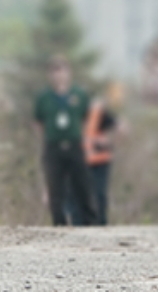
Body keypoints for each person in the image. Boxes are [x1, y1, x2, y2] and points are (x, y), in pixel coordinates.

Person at [34, 56, 98, 226]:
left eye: (62, 71)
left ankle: (89, 221)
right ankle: (59, 222)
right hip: (53, 145)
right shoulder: (44, 98)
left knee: (82, 184)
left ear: (68, 73)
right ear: (49, 75)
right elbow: (38, 122)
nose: (58, 76)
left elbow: (85, 117)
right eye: (54, 72)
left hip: (75, 144)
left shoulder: (79, 95)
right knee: (55, 187)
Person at [84, 81, 125, 225]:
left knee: (99, 194)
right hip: (82, 160)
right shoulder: (75, 112)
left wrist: (111, 143)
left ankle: (101, 223)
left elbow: (121, 126)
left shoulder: (98, 111)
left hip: (101, 159)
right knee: (83, 195)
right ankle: (86, 223)